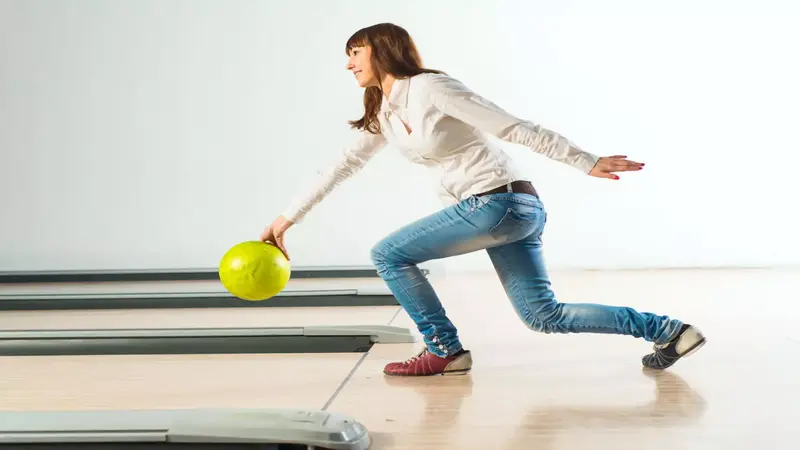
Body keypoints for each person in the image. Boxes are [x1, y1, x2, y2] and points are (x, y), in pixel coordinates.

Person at [260, 23, 706, 377]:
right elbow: (340, 165)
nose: (348, 64)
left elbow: (510, 126)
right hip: (510, 210)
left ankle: (443, 350)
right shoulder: (385, 112)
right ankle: (668, 331)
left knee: (388, 254)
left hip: (499, 203)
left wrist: (584, 160)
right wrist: (285, 221)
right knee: (543, 315)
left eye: (354, 52)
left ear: (381, 48)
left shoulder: (432, 88)